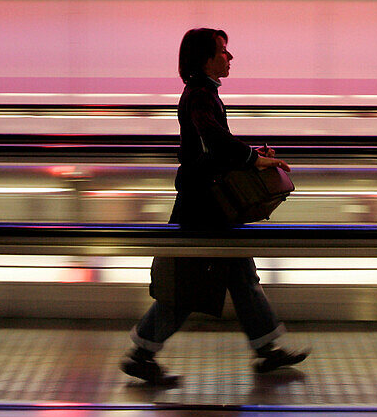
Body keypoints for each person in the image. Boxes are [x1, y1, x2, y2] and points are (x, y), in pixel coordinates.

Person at [121, 28, 309, 385]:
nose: (230, 57)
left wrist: (252, 157)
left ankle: (267, 350)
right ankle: (142, 354)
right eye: (223, 51)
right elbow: (215, 141)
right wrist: (253, 159)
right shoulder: (200, 95)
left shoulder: (203, 93)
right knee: (185, 288)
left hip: (211, 208)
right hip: (202, 212)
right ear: (207, 59)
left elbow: (214, 146)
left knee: (241, 279)